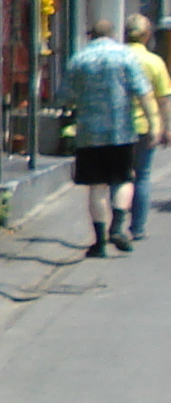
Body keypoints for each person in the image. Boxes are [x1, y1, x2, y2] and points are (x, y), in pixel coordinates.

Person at [65, 19, 153, 258]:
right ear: (113, 34)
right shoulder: (125, 56)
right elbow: (142, 91)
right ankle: (117, 226)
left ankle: (100, 241)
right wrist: (153, 124)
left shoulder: (79, 59)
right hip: (121, 131)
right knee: (125, 179)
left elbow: (65, 96)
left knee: (97, 187)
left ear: (91, 35)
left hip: (89, 133)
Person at [128, 17, 171, 244]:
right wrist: (166, 128)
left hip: (117, 128)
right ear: (146, 36)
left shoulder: (118, 58)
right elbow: (164, 98)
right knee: (142, 176)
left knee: (118, 177)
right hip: (145, 127)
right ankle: (137, 228)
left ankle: (114, 224)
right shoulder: (154, 62)